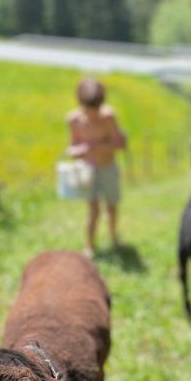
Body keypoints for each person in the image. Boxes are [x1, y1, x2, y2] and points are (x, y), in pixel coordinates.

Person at [66, 77, 127, 257]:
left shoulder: (109, 117)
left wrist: (98, 147)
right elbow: (72, 147)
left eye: (96, 110)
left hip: (108, 168)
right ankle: (90, 246)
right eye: (88, 110)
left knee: (112, 206)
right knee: (93, 210)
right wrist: (79, 150)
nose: (93, 115)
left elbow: (121, 144)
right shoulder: (74, 120)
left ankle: (113, 235)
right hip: (87, 172)